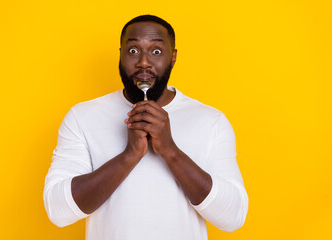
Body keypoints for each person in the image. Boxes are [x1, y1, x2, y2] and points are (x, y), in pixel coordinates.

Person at [43, 15, 248, 240]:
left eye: (156, 51)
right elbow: (58, 211)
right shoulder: (83, 117)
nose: (143, 62)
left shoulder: (211, 121)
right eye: (133, 51)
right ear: (120, 54)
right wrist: (130, 155)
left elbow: (232, 218)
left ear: (173, 57)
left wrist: (170, 150)